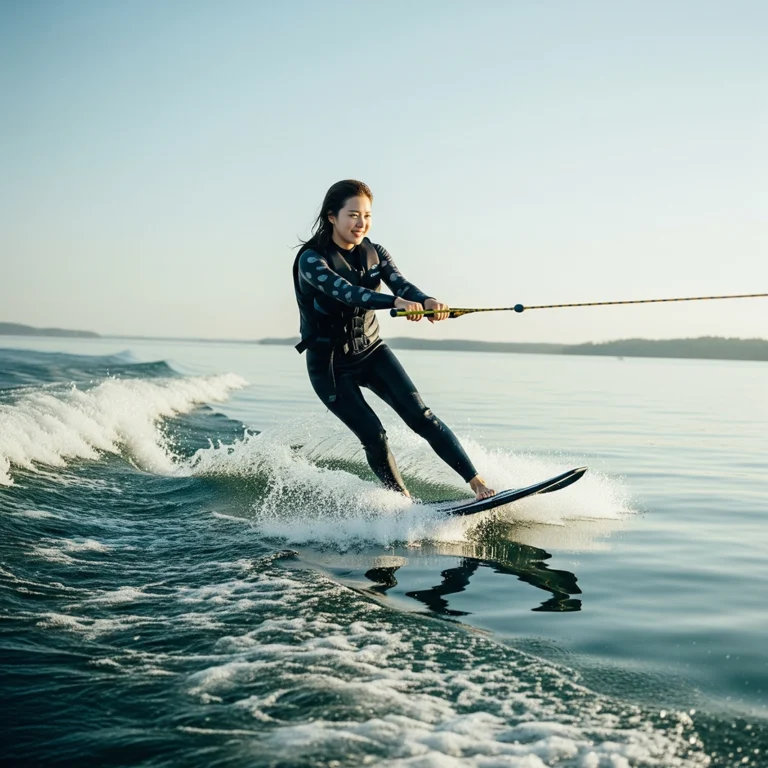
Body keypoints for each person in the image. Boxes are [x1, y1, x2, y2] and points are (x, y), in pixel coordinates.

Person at [293, 179, 495, 500]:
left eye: (367, 216)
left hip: (371, 351)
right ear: (332, 216)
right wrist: (394, 303)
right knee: (375, 436)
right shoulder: (311, 260)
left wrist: (427, 302)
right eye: (353, 215)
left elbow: (401, 284)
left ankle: (479, 485)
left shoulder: (375, 253)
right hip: (329, 365)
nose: (361, 223)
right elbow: (347, 293)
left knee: (422, 416)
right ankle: (402, 503)